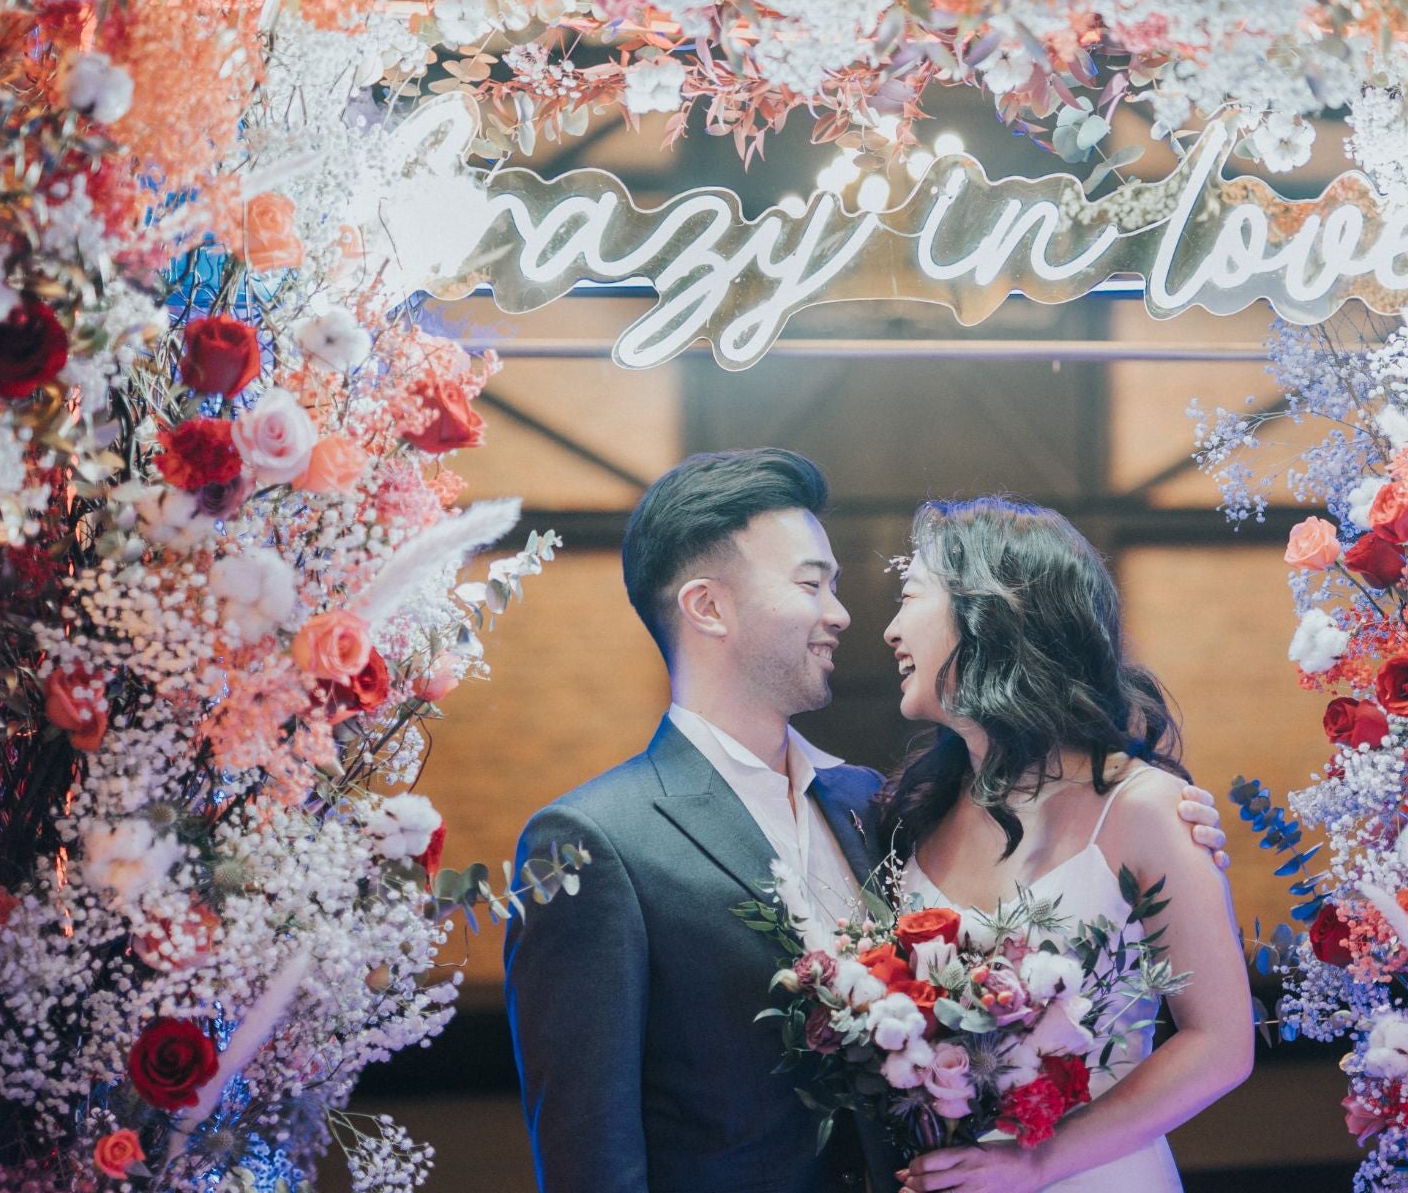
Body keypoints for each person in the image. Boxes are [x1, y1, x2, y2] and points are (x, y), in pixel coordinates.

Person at [505, 450, 1231, 1193]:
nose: (843, 615)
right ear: (708, 607)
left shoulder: (871, 805)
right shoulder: (593, 842)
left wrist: (1169, 836)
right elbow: (588, 1152)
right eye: (810, 583)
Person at [883, 497, 1253, 1193]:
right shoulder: (916, 811)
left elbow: (1220, 1046)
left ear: (986, 613)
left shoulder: (1143, 808)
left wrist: (1036, 1163)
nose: (890, 631)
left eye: (909, 597)